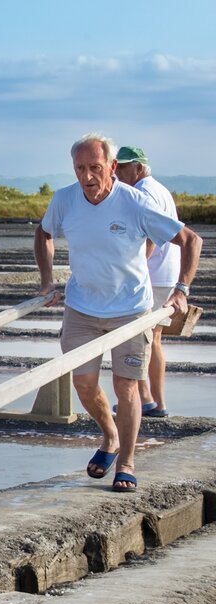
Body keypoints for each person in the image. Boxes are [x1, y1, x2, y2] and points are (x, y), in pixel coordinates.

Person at [35, 133, 201, 492]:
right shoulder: (65, 200)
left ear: (112, 167)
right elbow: (43, 233)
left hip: (130, 309)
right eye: (80, 168)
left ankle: (126, 461)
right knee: (83, 382)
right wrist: (47, 281)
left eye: (95, 167)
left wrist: (181, 291)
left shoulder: (135, 202)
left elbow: (190, 240)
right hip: (81, 306)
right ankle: (109, 436)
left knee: (126, 386)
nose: (88, 177)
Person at [114, 146, 179, 417]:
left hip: (152, 275)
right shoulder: (159, 188)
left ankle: (143, 399)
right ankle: (154, 400)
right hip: (165, 272)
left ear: (138, 168)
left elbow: (149, 237)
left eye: (122, 167)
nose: (116, 172)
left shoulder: (143, 192)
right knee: (153, 339)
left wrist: (132, 269)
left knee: (139, 338)